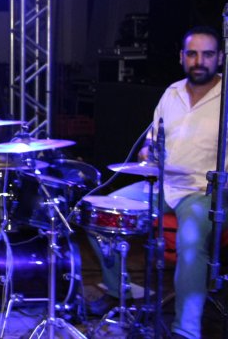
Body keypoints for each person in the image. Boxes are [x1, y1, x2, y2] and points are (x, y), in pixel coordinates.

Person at [86, 25, 225, 339]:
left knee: (190, 241)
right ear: (181, 57)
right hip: (163, 185)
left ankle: (186, 330)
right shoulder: (172, 93)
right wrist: (149, 151)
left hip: (204, 191)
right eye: (192, 54)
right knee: (99, 215)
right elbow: (152, 140)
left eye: (207, 54)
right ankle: (119, 291)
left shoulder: (227, 97)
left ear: (220, 58)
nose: (199, 61)